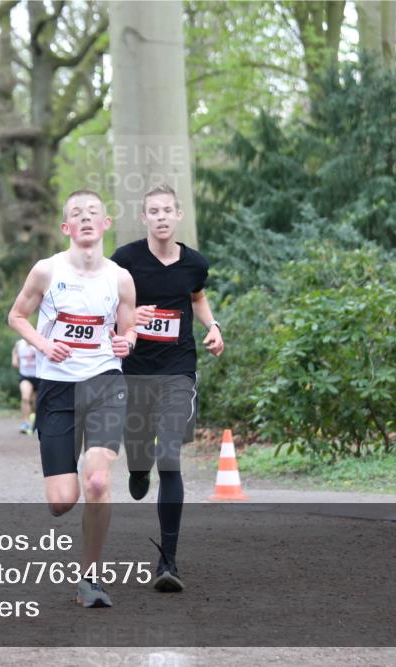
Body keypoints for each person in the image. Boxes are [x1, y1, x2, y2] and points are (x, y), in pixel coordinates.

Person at [7, 189, 137, 608]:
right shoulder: (46, 271)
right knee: (63, 500)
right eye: (76, 214)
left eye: (93, 213)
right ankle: (63, 485)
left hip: (104, 381)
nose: (85, 219)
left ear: (105, 224)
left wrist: (127, 341)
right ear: (66, 227)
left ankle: (90, 579)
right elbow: (16, 316)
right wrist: (43, 347)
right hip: (57, 386)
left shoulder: (120, 277)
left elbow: (128, 327)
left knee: (98, 481)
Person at [110, 184, 224, 594]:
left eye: (167, 211)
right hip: (135, 370)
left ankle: (168, 560)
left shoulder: (195, 263)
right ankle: (136, 469)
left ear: (178, 216)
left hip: (178, 369)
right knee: (141, 453)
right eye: (153, 211)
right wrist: (128, 315)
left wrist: (213, 327)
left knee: (169, 454)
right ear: (144, 218)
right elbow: (106, 301)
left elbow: (196, 298)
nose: (160, 217)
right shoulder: (124, 259)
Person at [11, 338, 39, 435]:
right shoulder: (19, 343)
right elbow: (14, 351)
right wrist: (14, 359)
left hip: (39, 377)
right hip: (25, 376)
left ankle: (36, 423)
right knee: (25, 398)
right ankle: (26, 423)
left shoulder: (37, 343)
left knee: (37, 403)